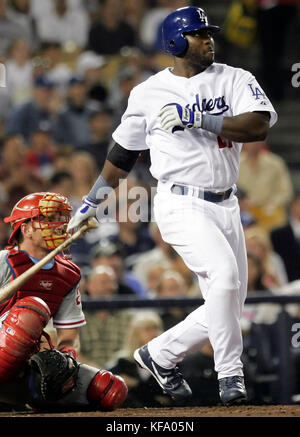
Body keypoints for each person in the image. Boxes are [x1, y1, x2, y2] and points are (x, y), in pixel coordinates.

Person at [67, 6, 278, 406]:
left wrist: (200, 118)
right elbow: (124, 151)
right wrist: (94, 198)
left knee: (229, 300)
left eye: (207, 33)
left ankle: (159, 354)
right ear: (176, 42)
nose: (207, 39)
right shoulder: (148, 92)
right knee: (224, 278)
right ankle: (230, 375)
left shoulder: (234, 78)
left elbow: (258, 125)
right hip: (181, 201)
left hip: (226, 203)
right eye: (198, 34)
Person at [0, 192, 127, 412]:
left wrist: (64, 359)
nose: (59, 225)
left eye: (62, 218)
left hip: (31, 361)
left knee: (110, 389)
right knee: (32, 311)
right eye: (50, 218)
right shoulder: (3, 261)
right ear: (26, 228)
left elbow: (69, 335)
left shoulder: (69, 273)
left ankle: (34, 396)